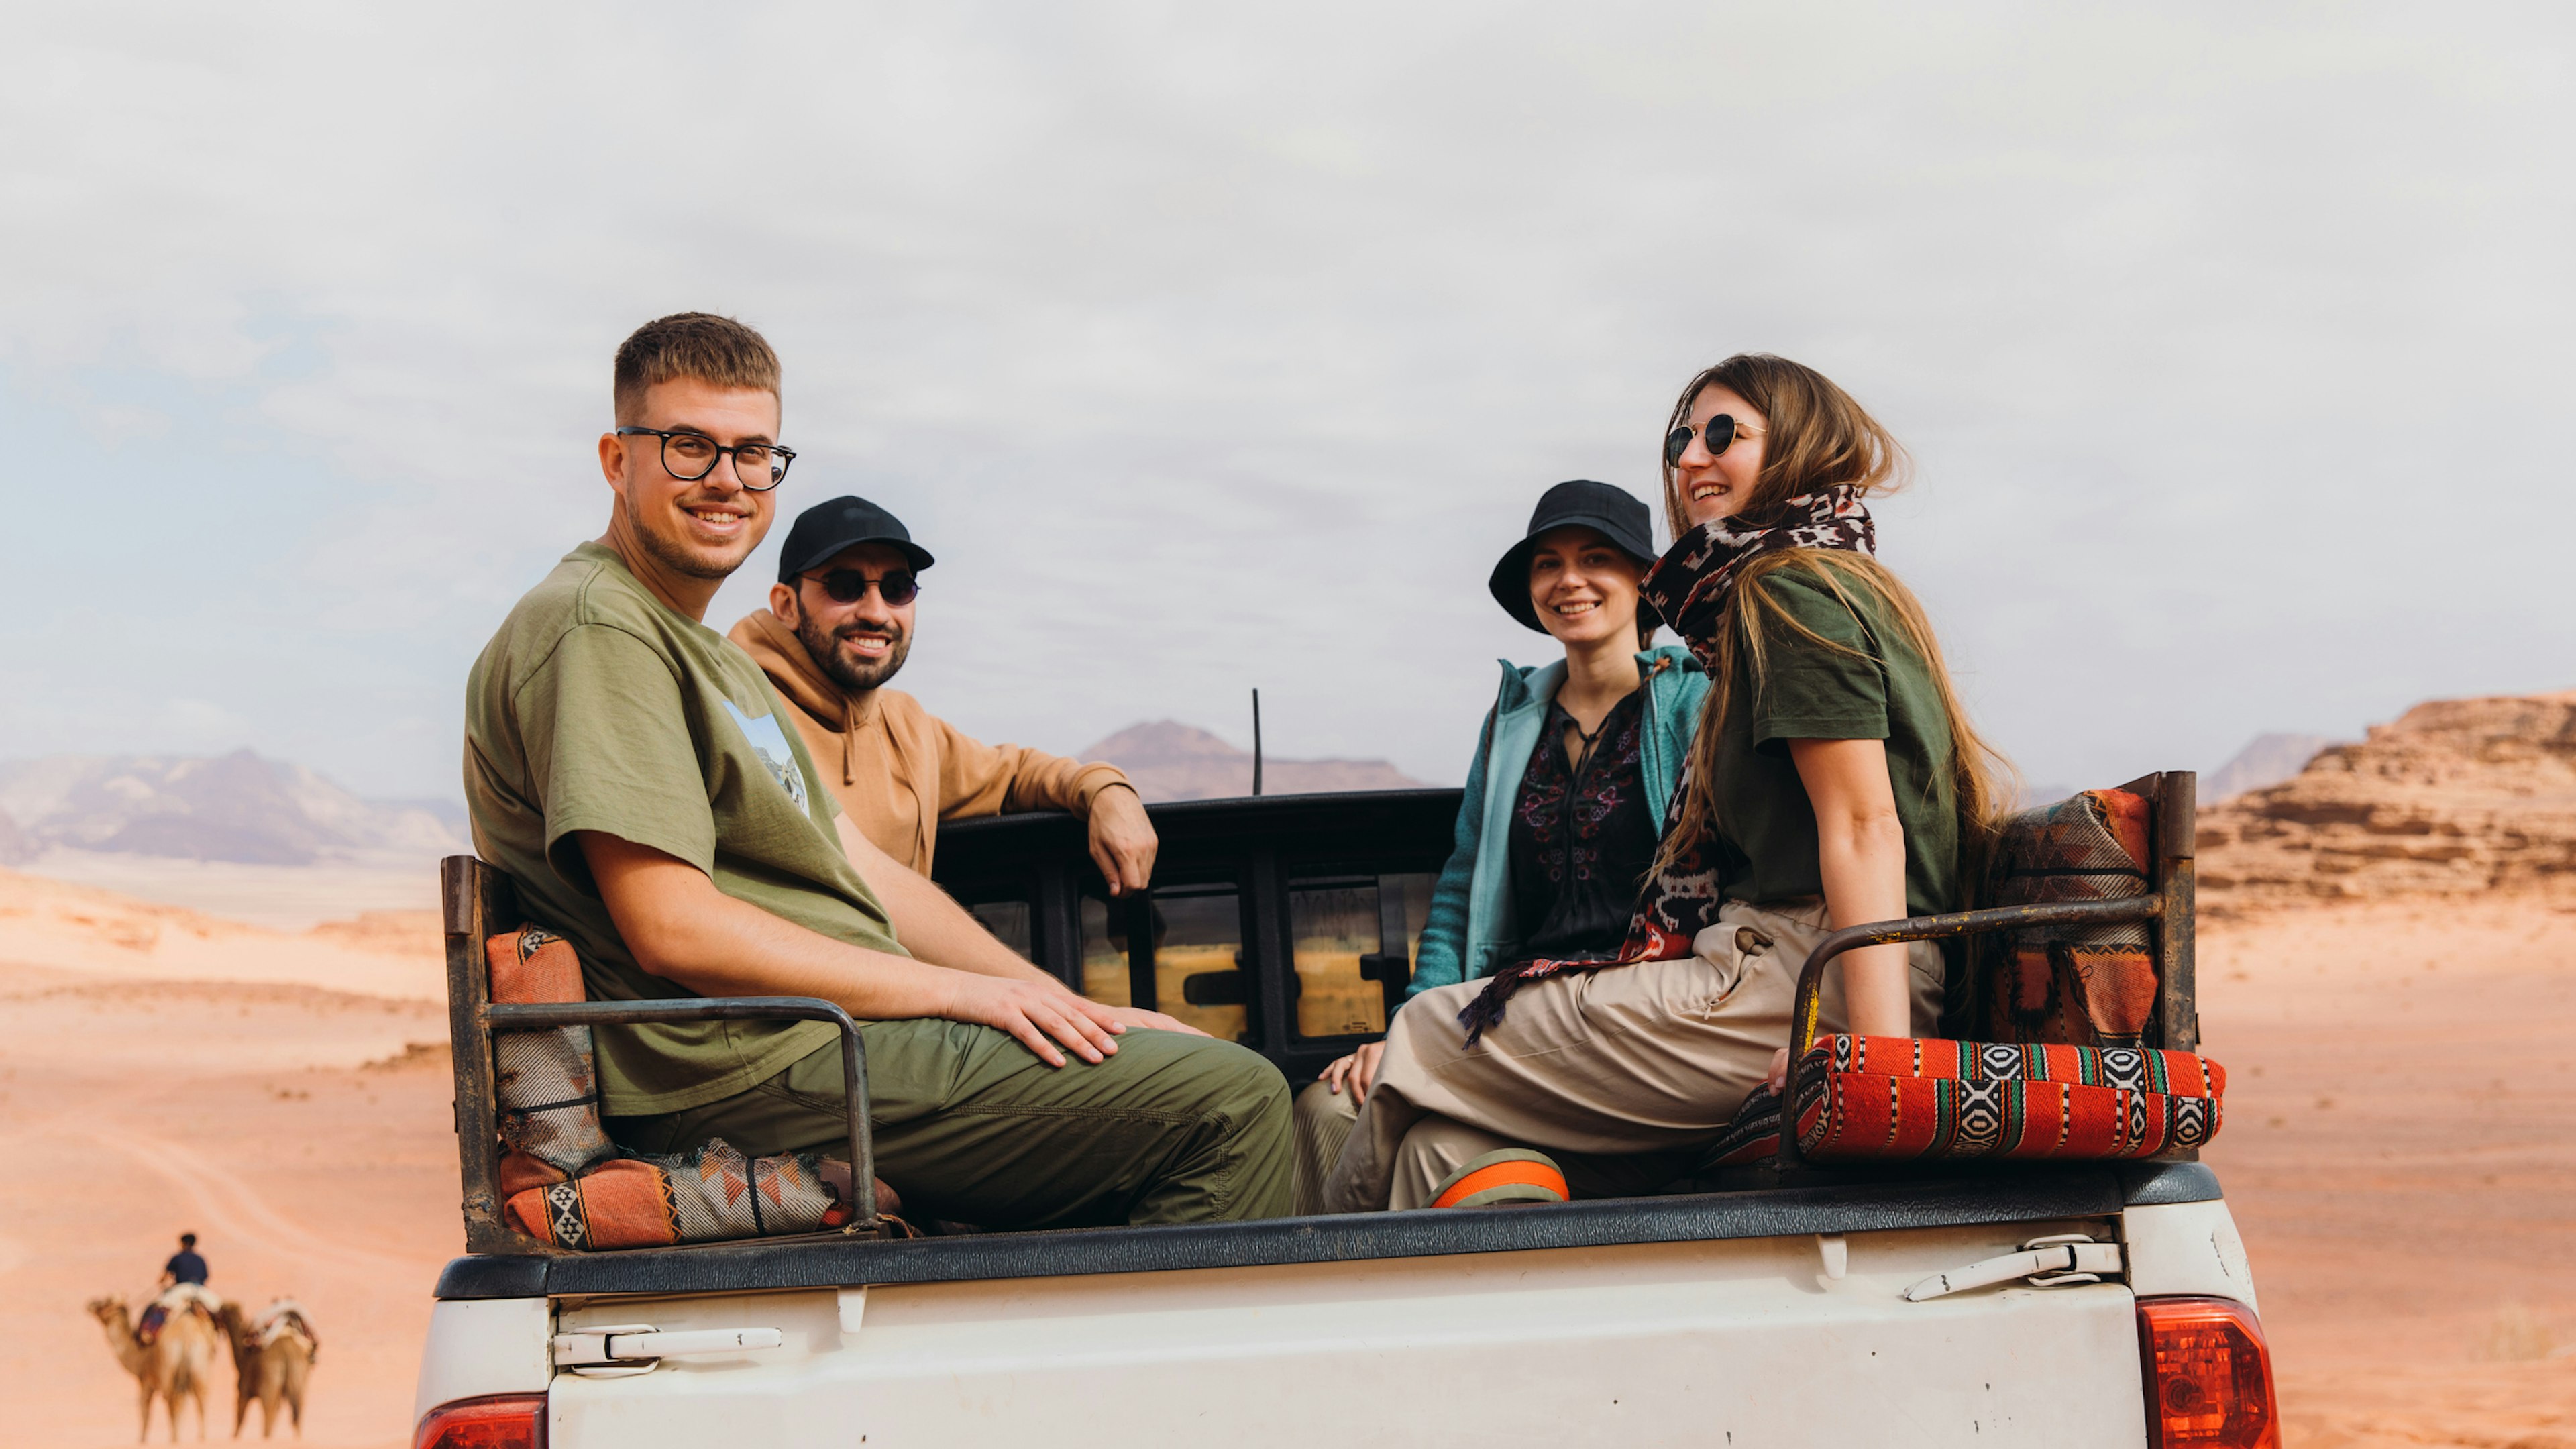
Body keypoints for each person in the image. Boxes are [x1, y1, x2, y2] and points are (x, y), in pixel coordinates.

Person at [464, 311, 1292, 1228]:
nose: (727, 482)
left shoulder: (715, 659)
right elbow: (673, 929)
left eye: (753, 454)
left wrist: (1065, 1007)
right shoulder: (597, 628)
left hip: (816, 1038)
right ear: (619, 461)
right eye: (690, 447)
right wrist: (969, 997)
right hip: (747, 1062)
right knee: (1237, 1102)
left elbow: (867, 870)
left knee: (1228, 1085)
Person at [1321, 354, 2009, 1213]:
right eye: (1683, 437)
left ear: (1798, 443)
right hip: (1779, 971)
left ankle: (1292, 1290)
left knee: (1425, 1035)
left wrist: (1874, 1067)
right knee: (1442, 1146)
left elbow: (1867, 825)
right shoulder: (1799, 585)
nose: (1691, 459)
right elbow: (1467, 881)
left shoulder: (1791, 593)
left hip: (1816, 971)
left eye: (1725, 434)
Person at [1288, 480, 1709, 1212]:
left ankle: (1329, 1263)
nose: (1568, 580)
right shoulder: (1514, 719)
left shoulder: (1691, 702)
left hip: (1635, 1006)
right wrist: (1410, 1026)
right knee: (1327, 1104)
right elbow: (1461, 888)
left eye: (1596, 558)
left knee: (1412, 1136)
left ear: (1644, 579)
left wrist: (1415, 1056)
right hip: (1511, 1004)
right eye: (1547, 563)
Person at [728, 496, 1159, 894]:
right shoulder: (741, 714)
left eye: (897, 588)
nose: (877, 612)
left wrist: (1106, 791)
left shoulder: (908, 728)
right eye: (845, 586)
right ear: (786, 606)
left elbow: (1013, 776)